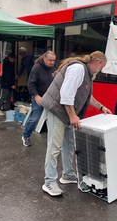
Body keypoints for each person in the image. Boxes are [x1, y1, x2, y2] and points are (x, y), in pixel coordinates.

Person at [40, 51, 112, 197]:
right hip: (56, 109)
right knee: (55, 146)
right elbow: (66, 94)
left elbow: (87, 96)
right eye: (102, 66)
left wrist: (102, 107)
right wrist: (73, 116)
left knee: (69, 144)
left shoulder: (87, 74)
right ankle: (49, 182)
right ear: (97, 62)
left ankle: (68, 174)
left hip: (65, 111)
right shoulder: (78, 69)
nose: (101, 70)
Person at [22, 51, 56, 147]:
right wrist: (36, 96)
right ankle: (26, 136)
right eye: (50, 60)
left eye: (54, 60)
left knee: (53, 119)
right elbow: (30, 84)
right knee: (35, 118)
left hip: (50, 97)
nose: (52, 62)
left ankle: (53, 140)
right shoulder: (36, 68)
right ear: (44, 58)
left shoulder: (53, 68)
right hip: (38, 96)